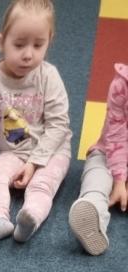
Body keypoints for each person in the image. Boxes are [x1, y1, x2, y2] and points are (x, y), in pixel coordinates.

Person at [0, 0, 71, 245]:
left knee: (42, 185)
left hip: (53, 151)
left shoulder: (49, 76)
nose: (28, 54)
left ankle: (30, 218)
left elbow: (59, 125)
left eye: (38, 45)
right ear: (1, 42)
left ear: (49, 41)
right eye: (19, 45)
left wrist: (34, 163)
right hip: (14, 151)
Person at [68, 63, 128, 255]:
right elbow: (116, 135)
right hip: (110, 152)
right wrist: (119, 180)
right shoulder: (122, 84)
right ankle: (93, 209)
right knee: (97, 173)